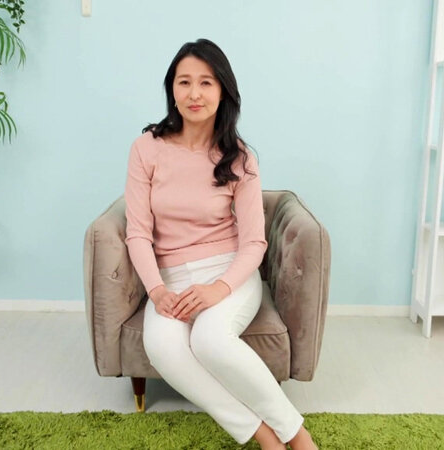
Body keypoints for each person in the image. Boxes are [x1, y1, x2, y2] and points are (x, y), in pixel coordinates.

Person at [124, 38, 317, 450]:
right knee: (162, 345)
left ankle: (299, 437)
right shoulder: (146, 149)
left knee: (210, 340)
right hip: (169, 279)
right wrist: (157, 291)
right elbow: (137, 231)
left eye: (206, 82)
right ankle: (266, 437)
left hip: (229, 272)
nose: (194, 93)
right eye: (184, 82)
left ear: (223, 91)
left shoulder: (240, 158)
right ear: (172, 90)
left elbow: (254, 242)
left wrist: (218, 288)